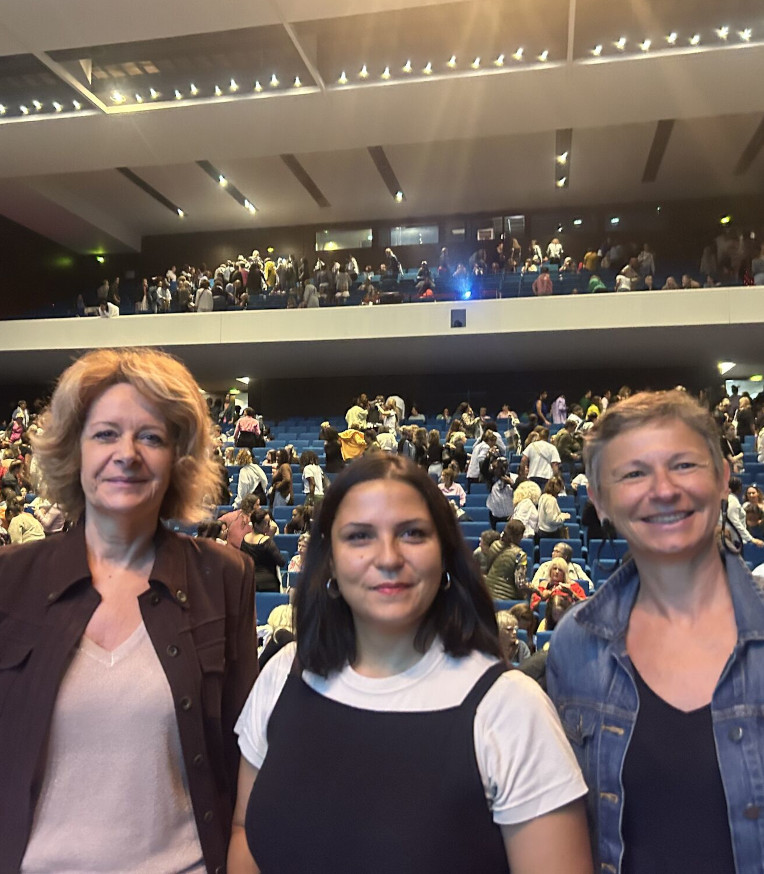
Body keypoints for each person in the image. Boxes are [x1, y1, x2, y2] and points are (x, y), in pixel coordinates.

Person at [228, 454, 591, 873]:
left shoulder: (511, 708)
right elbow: (244, 831)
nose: (388, 557)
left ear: (445, 555)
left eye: (413, 533)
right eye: (359, 536)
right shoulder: (283, 674)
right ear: (330, 561)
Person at [0, 347, 256, 873]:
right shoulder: (10, 580)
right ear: (74, 451)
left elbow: (241, 765)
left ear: (178, 458)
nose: (127, 454)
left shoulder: (223, 577)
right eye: (105, 434)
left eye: (151, 437)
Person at [547, 390, 764, 873]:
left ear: (723, 477)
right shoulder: (576, 644)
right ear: (600, 501)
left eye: (684, 465)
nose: (663, 490)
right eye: (633, 474)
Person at [240, 507, 286, 592]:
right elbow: (281, 562)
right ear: (256, 525)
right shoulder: (266, 541)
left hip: (249, 582)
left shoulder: (245, 538)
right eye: (266, 523)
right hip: (267, 584)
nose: (269, 526)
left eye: (269, 522)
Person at [484, 519, 529, 601]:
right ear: (520, 536)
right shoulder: (520, 555)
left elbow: (488, 568)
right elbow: (520, 584)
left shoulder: (494, 545)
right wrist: (534, 589)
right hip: (507, 599)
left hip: (488, 596)